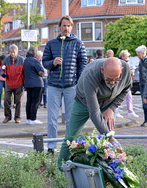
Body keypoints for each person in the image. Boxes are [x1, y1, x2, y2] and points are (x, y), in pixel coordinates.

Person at [57, 57, 132, 169]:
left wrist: (112, 108)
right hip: (83, 102)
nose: (112, 83)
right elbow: (94, 113)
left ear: (121, 70)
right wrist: (110, 136)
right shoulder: (91, 75)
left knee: (106, 141)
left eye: (116, 79)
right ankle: (62, 169)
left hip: (108, 103)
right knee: (71, 138)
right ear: (102, 70)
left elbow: (125, 89)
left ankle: (108, 171)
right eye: (108, 79)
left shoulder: (126, 69)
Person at [43, 15, 87, 155]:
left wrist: (79, 82)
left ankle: (70, 145)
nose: (66, 28)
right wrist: (53, 63)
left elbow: (82, 64)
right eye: (64, 25)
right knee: (52, 118)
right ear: (59, 27)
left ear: (71, 27)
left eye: (68, 25)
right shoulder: (51, 44)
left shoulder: (78, 43)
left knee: (71, 118)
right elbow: (45, 62)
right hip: (54, 85)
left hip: (71, 85)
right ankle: (51, 146)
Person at [2, 44, 25, 123]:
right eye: (11, 52)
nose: (12, 54)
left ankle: (17, 117)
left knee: (18, 101)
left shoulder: (21, 59)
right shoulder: (6, 60)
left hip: (19, 83)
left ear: (17, 52)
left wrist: (24, 83)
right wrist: (3, 73)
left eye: (13, 52)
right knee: (6, 100)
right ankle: (8, 116)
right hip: (9, 83)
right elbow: (2, 69)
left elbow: (24, 72)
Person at [24, 47, 44, 124]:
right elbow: (41, 72)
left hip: (28, 84)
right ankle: (33, 119)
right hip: (37, 83)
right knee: (35, 102)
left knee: (29, 101)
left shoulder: (25, 60)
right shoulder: (35, 61)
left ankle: (28, 118)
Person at [116, 50, 139, 118]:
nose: (128, 57)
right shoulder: (120, 62)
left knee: (129, 97)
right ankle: (117, 112)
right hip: (121, 83)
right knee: (119, 98)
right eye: (127, 56)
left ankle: (130, 111)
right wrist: (130, 72)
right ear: (123, 56)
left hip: (126, 83)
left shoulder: (125, 62)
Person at [136, 45, 147, 127]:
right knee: (144, 104)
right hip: (142, 84)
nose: (137, 55)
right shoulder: (141, 61)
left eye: (138, 53)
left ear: (143, 53)